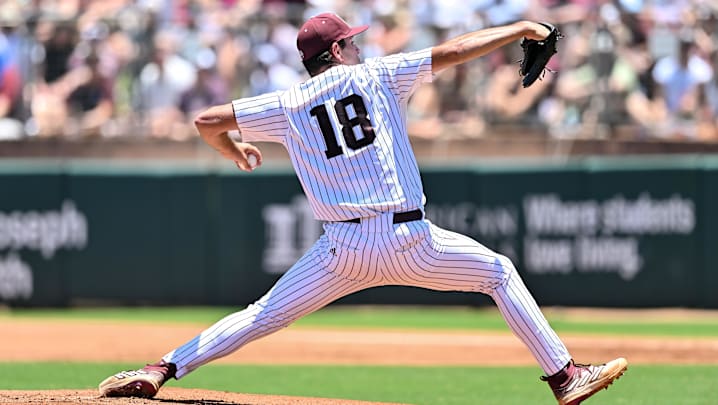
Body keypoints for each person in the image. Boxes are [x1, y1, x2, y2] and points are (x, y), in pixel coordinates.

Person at [98, 13, 627, 405]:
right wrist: (519, 29)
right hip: (409, 239)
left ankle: (162, 367)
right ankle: (563, 376)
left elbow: (207, 120)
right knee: (498, 274)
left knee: (263, 315)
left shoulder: (285, 105)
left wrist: (235, 151)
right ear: (339, 50)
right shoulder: (377, 75)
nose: (357, 45)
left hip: (343, 248)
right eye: (351, 40)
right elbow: (458, 49)